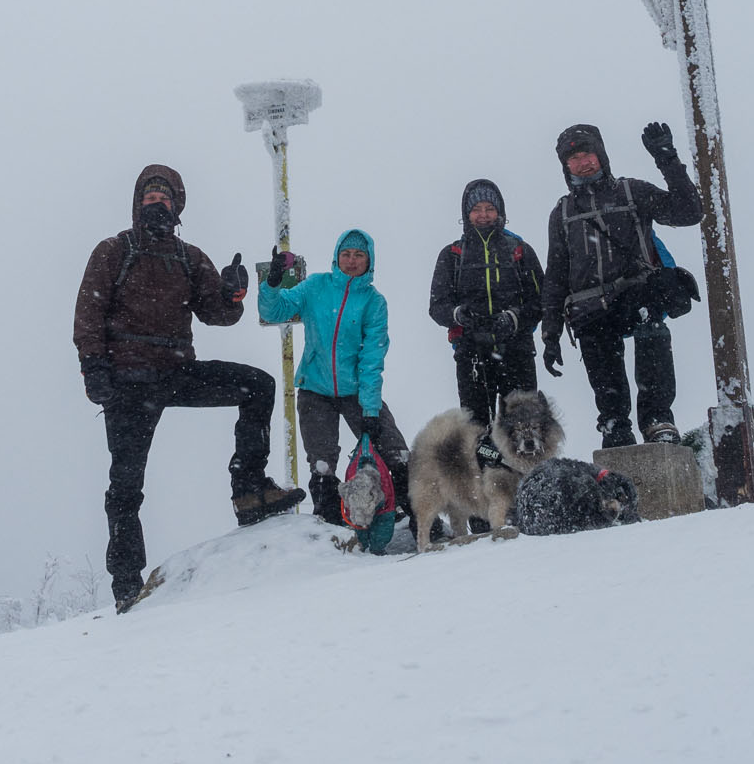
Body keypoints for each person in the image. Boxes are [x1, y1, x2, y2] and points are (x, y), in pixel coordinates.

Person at [74, 165, 305, 611]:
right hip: (127, 381)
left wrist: (234, 293)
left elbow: (217, 314)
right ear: (137, 202)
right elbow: (88, 313)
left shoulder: (187, 257)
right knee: (125, 485)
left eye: (164, 197)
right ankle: (126, 584)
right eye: (149, 196)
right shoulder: (113, 251)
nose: (156, 203)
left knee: (257, 385)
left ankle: (250, 491)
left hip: (178, 371)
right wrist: (93, 368)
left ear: (177, 205)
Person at [540, 122, 703, 448]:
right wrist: (550, 333)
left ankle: (657, 418)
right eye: (573, 158)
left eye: (587, 153)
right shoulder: (562, 213)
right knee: (603, 367)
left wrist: (667, 159)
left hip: (634, 295)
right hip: (589, 309)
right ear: (565, 166)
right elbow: (556, 276)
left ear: (601, 155)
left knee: (649, 322)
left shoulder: (632, 192)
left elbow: (689, 212)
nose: (582, 162)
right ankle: (615, 426)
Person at [257, 228, 412, 533]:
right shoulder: (315, 286)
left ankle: (412, 515)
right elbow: (274, 310)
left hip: (358, 392)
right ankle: (332, 524)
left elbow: (372, 361)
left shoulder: (373, 302)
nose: (351, 261)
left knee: (395, 452)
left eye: (359, 255)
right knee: (322, 463)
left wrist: (369, 410)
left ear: (370, 261)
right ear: (336, 257)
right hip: (315, 389)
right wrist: (272, 283)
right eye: (346, 254)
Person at [426, 178, 545, 458]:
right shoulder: (452, 255)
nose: (483, 215)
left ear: (500, 212)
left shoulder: (520, 251)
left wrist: (513, 319)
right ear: (466, 214)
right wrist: (460, 315)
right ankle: (482, 490)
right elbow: (437, 306)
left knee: (524, 426)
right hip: (471, 354)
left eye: (489, 208)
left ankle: (523, 491)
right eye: (476, 208)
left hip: (516, 351)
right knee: (475, 430)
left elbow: (541, 301)